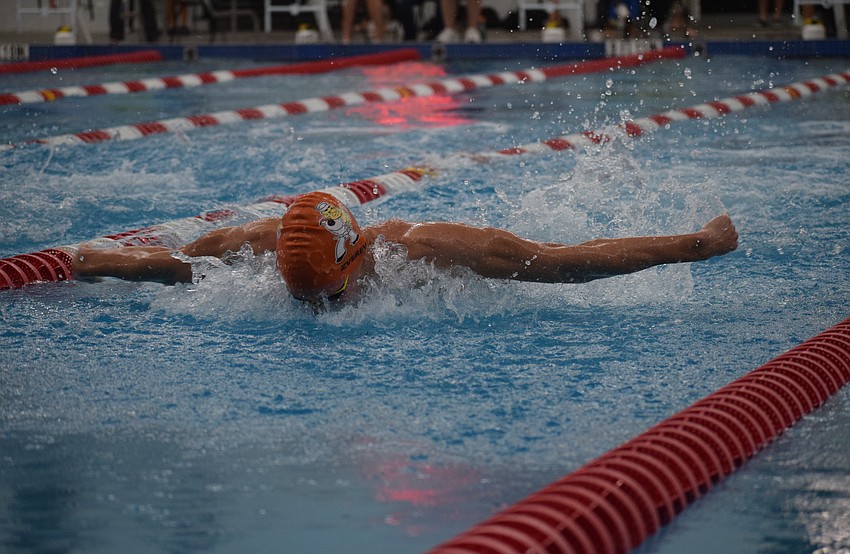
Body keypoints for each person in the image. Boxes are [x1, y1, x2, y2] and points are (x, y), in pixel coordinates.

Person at [73, 191, 739, 306]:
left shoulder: (429, 252)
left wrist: (694, 244)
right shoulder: (255, 245)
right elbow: (184, 265)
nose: (322, 310)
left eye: (331, 296)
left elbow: (566, 263)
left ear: (354, 257)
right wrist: (108, 262)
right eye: (304, 299)